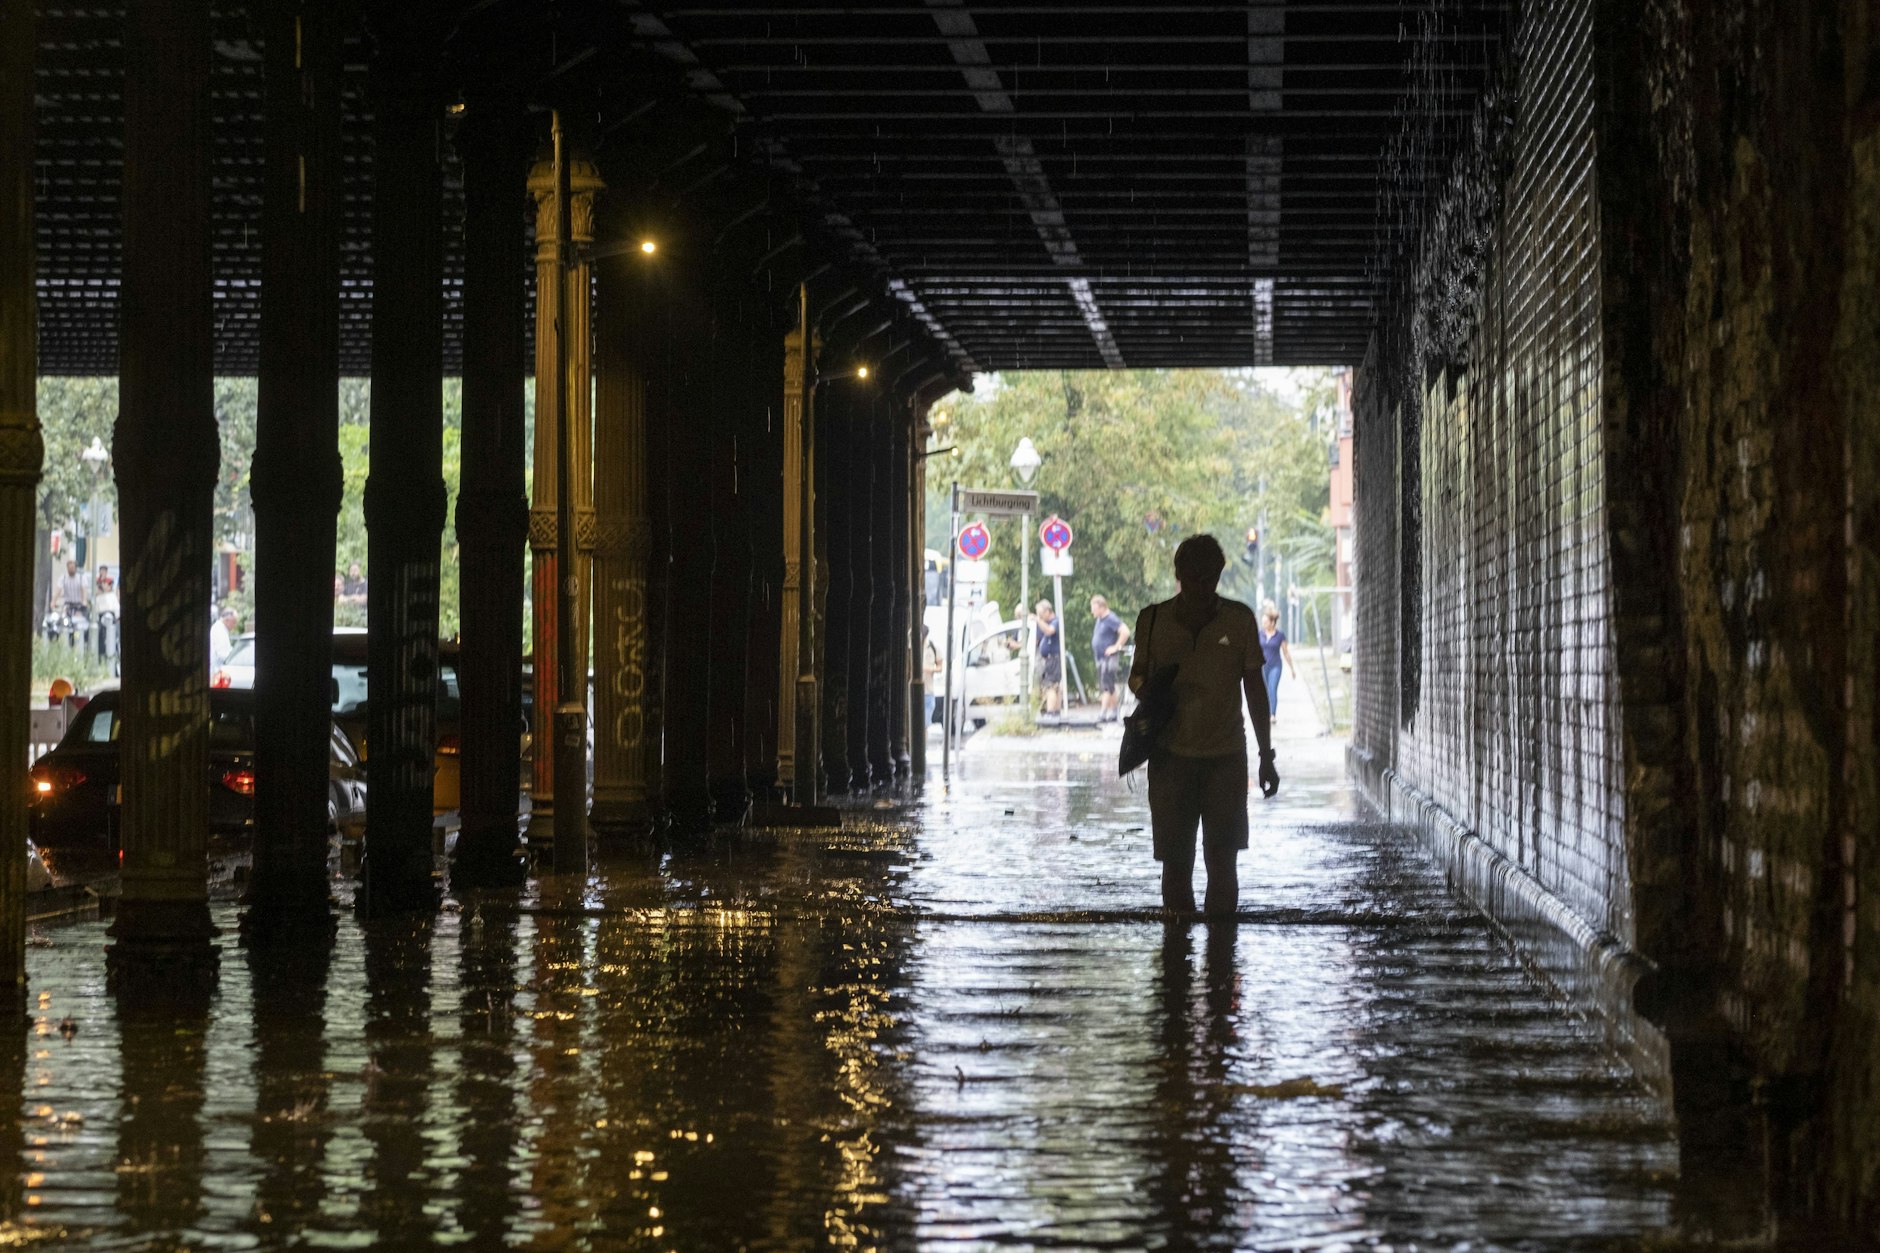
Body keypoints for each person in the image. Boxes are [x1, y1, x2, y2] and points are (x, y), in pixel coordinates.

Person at [1128, 534, 1279, 916]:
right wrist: (1154, 692)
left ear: (1218, 575)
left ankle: (1221, 961)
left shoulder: (1239, 620)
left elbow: (1255, 689)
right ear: (1178, 574)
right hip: (1169, 760)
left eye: (1207, 578)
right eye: (1191, 577)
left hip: (1225, 760)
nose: (1199, 586)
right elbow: (1136, 677)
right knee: (1176, 866)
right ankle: (1176, 960)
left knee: (1222, 863)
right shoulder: (1153, 620)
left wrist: (1266, 755)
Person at [1089, 593, 1131, 723]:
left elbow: (1125, 631)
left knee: (1106, 686)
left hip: (1109, 659)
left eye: (1094, 609)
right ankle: (1114, 712)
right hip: (1101, 658)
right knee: (1110, 686)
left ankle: (1103, 713)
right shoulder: (1100, 619)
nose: (1092, 612)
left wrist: (1115, 646)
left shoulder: (1110, 618)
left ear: (1102, 607)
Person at [1258, 601, 1297, 721]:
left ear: (1272, 622)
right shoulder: (1260, 634)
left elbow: (1286, 653)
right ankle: (1264, 712)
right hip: (1263, 666)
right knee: (1263, 691)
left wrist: (1292, 669)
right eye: (1263, 622)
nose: (1263, 624)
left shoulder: (1280, 635)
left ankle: (1272, 714)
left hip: (1276, 666)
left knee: (1272, 688)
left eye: (1266, 622)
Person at [1033, 598, 1062, 715]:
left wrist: (1038, 620)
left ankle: (1051, 713)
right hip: (1047, 659)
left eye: (1040, 614)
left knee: (1051, 687)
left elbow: (1050, 631)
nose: (1039, 616)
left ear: (1047, 611)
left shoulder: (1055, 621)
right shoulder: (1045, 623)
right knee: (1052, 687)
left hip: (1053, 659)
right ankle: (1054, 712)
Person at [92, 565, 119, 658]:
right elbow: (96, 592)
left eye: (103, 571)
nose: (102, 573)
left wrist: (103, 586)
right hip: (101, 609)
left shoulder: (109, 580)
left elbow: (108, 589)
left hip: (109, 610)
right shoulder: (97, 581)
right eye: (101, 571)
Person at [921, 624, 943, 726]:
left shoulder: (933, 648)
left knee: (925, 724)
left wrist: (928, 669)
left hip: (927, 691)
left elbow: (940, 667)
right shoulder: (910, 647)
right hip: (913, 692)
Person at [209, 606, 238, 671]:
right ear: (227, 620)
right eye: (234, 622)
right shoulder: (219, 630)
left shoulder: (221, 629)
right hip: (216, 668)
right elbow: (223, 654)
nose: (235, 625)